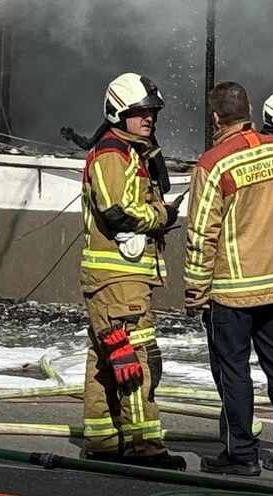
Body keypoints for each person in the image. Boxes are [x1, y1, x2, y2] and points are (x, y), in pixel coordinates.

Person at [184, 81, 273, 477]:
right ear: (250, 111)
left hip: (231, 294)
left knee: (234, 371)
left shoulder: (213, 164)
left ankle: (241, 455)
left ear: (215, 118)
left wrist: (195, 292)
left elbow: (201, 234)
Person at [74, 72, 183, 470]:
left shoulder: (132, 153)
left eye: (152, 112)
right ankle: (143, 447)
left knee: (106, 359)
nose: (148, 118)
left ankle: (103, 440)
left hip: (119, 280)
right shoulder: (112, 154)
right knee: (134, 358)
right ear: (118, 113)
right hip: (119, 280)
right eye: (140, 112)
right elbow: (117, 212)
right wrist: (162, 215)